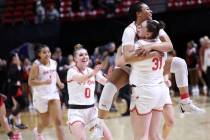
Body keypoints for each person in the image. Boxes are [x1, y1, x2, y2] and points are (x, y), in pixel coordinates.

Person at [98, 2, 205, 140]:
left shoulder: (153, 24)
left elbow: (169, 46)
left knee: (180, 63)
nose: (151, 10)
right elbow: (127, 57)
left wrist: (151, 47)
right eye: (147, 9)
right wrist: (152, 53)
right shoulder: (130, 30)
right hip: (134, 69)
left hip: (154, 76)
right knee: (109, 86)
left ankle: (185, 101)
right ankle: (98, 124)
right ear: (138, 13)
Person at [126, 19, 170, 140]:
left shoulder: (140, 45)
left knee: (141, 137)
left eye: (142, 27)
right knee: (154, 135)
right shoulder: (162, 43)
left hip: (144, 92)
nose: (138, 28)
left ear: (148, 34)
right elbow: (169, 45)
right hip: (160, 91)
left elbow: (125, 59)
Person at [66, 44, 113, 140]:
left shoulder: (92, 71)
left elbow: (105, 82)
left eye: (86, 54)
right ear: (75, 59)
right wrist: (94, 73)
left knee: (108, 138)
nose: (84, 57)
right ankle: (71, 124)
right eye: (81, 55)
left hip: (92, 111)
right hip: (76, 112)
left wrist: (111, 78)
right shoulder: (71, 71)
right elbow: (81, 79)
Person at [28, 43, 65, 140]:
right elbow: (30, 82)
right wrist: (43, 82)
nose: (47, 54)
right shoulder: (36, 65)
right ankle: (38, 131)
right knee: (46, 122)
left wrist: (59, 83)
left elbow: (54, 73)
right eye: (44, 52)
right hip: (41, 96)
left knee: (58, 122)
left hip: (53, 94)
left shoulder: (53, 62)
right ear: (39, 54)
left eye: (48, 52)